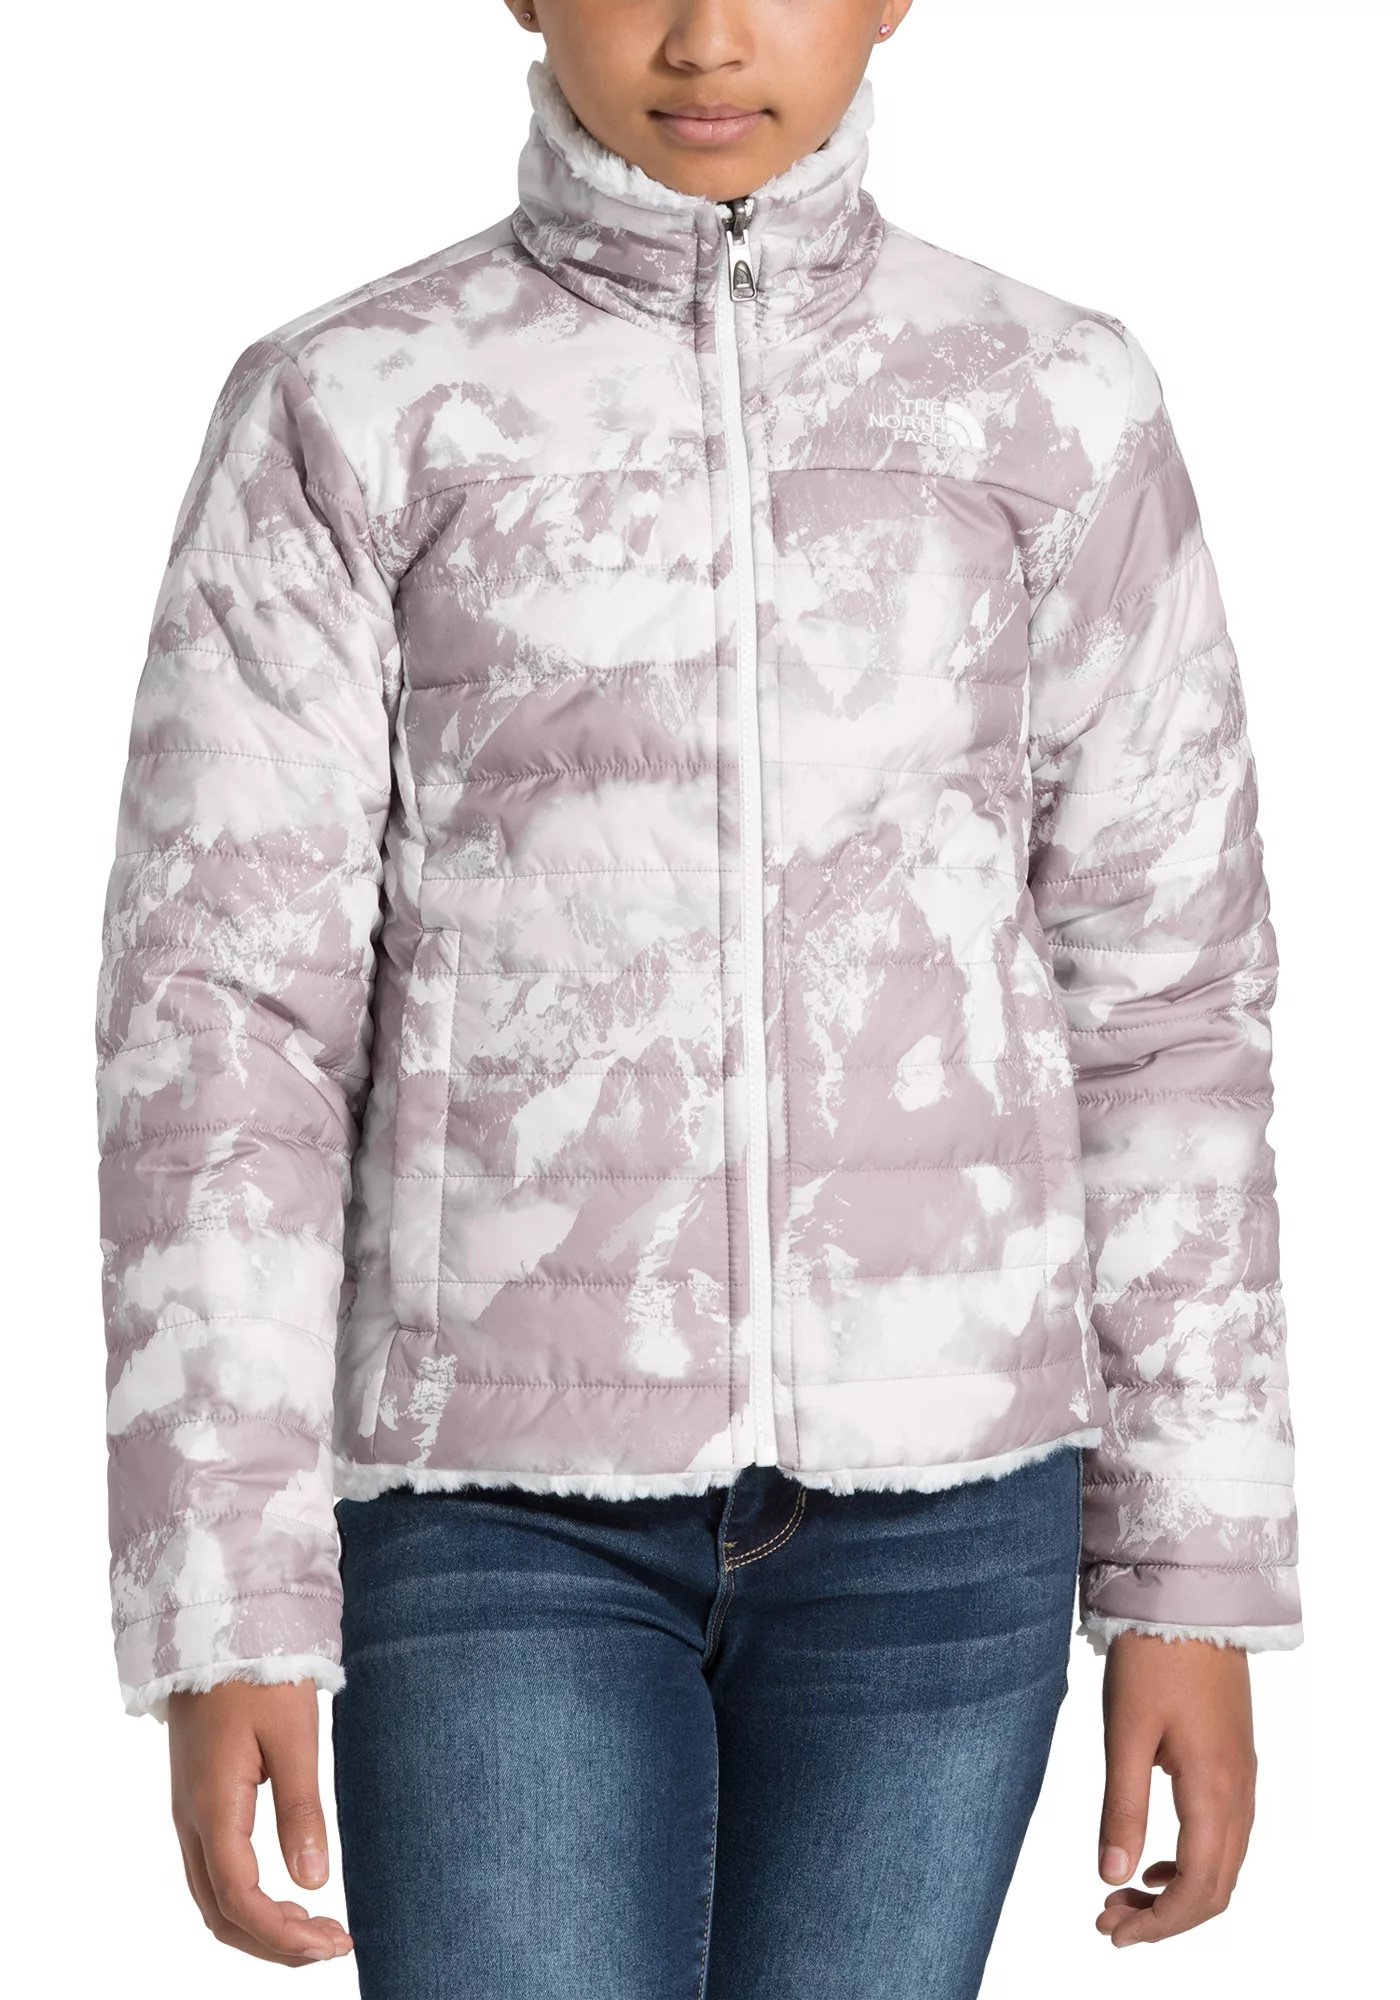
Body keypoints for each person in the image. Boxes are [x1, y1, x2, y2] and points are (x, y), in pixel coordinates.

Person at [93, 2, 1301, 1993]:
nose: (707, 32)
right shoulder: (355, 408)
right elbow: (221, 1028)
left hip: (948, 1521)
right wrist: (225, 1598)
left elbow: (1169, 1007)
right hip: (490, 1509)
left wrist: (1191, 1572)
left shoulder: (1050, 404)